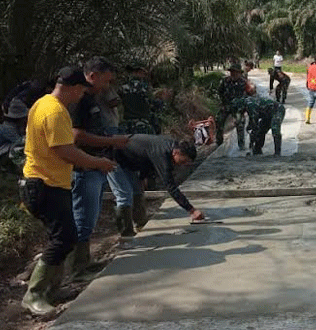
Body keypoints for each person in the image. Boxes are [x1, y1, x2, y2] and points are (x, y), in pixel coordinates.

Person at [20, 66, 117, 315]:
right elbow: (65, 151)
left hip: (49, 182)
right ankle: (34, 294)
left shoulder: (42, 104)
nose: (82, 96)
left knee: (66, 236)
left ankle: (52, 289)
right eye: (81, 91)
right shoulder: (55, 112)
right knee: (62, 239)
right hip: (44, 184)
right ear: (73, 88)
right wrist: (98, 163)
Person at [69, 57, 132, 281]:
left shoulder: (92, 98)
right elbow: (77, 136)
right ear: (92, 76)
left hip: (96, 163)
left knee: (90, 215)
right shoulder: (80, 100)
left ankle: (84, 262)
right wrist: (110, 142)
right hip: (84, 165)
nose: (107, 87)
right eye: (105, 81)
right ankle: (77, 268)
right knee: (82, 216)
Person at [113, 135, 205, 223]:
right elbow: (170, 186)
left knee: (138, 192)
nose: (183, 164)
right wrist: (191, 210)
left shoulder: (171, 146)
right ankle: (126, 234)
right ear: (176, 152)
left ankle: (139, 224)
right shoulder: (163, 154)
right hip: (114, 157)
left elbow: (147, 155)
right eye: (183, 161)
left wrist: (142, 177)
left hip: (130, 161)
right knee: (124, 196)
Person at [216, 63, 251, 149]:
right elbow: (219, 91)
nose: (233, 74)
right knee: (219, 120)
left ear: (239, 73)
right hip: (227, 105)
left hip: (238, 107)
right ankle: (219, 143)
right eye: (232, 72)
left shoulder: (244, 82)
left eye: (235, 72)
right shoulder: (225, 81)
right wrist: (222, 101)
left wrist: (244, 107)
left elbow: (249, 95)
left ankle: (241, 144)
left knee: (240, 123)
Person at [119, 62, 159, 134]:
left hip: (128, 126)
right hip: (144, 124)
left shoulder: (123, 88)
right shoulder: (145, 88)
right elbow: (153, 106)